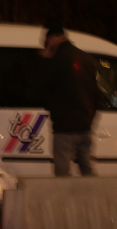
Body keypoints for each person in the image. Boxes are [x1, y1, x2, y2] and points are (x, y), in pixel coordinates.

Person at [39, 21, 100, 176]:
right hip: (85, 127)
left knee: (63, 173)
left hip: (64, 127)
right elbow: (96, 94)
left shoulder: (56, 60)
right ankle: (93, 199)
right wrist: (89, 118)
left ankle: (65, 201)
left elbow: (43, 87)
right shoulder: (87, 58)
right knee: (87, 169)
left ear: (51, 40)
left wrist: (45, 58)